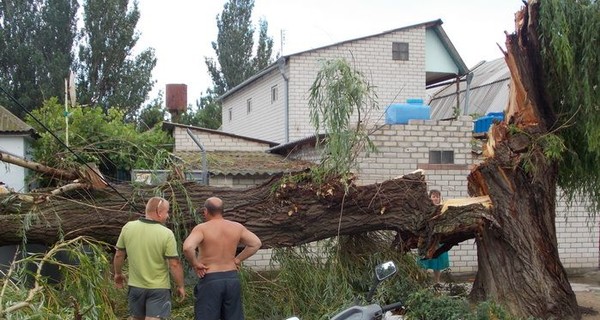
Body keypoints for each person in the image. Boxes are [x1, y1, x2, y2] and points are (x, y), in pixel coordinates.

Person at [183, 197, 262, 320]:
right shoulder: (237, 227)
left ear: (205, 211)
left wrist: (196, 264)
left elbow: (188, 247)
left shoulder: (202, 228)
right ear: (222, 211)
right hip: (231, 279)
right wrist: (237, 259)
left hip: (210, 279)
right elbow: (256, 243)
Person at [113, 197, 186, 320]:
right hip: (159, 289)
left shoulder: (128, 227)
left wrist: (118, 274)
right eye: (167, 212)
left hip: (136, 287)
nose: (168, 216)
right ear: (159, 212)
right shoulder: (166, 234)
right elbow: (174, 264)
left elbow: (119, 255)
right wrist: (180, 286)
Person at [419, 189, 450, 283]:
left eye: (437, 196)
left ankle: (437, 282)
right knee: (424, 261)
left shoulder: (442, 208)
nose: (436, 198)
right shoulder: (426, 210)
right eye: (434, 196)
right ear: (430, 198)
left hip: (439, 238)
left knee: (438, 262)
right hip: (427, 239)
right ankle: (422, 282)